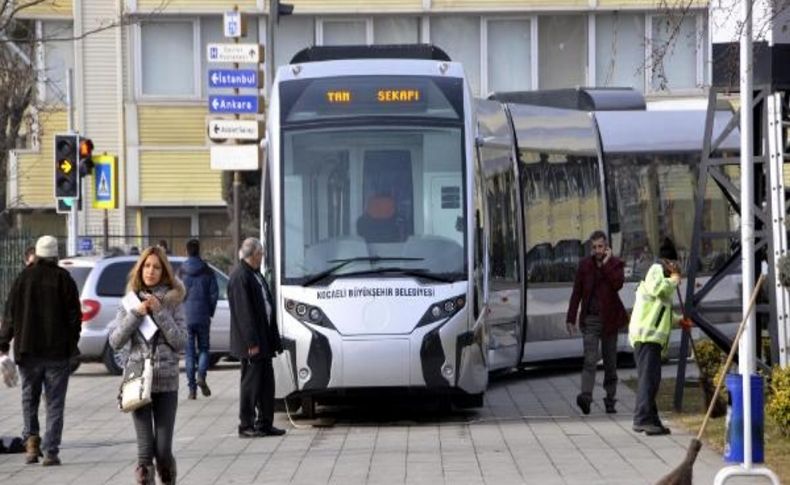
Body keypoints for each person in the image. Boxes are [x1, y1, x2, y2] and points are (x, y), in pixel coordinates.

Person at [0, 235, 81, 466]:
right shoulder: (64, 279)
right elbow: (75, 317)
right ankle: (51, 450)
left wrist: (4, 344)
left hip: (28, 351)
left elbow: (10, 314)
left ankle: (31, 444)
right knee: (55, 402)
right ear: (55, 255)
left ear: (36, 254)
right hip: (57, 353)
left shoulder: (23, 278)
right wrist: (71, 343)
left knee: (29, 398)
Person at [109, 246, 186, 484]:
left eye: (156, 267)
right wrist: (136, 314)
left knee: (162, 450)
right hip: (137, 381)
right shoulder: (129, 301)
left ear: (164, 272)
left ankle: (168, 475)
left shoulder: (173, 301)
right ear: (140, 269)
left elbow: (180, 342)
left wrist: (160, 312)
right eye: (147, 266)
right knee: (144, 454)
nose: (150, 271)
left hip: (166, 382)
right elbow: (115, 341)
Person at [629, 238, 692, 436]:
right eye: (676, 263)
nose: (678, 267)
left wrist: (678, 320)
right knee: (649, 379)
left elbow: (660, 311)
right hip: (646, 336)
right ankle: (641, 419)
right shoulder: (656, 270)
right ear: (667, 262)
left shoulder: (660, 274)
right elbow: (659, 290)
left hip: (650, 337)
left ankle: (652, 420)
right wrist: (673, 280)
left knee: (651, 379)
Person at [566, 230, 628, 415]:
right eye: (594, 247)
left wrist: (607, 264)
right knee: (590, 359)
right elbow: (576, 292)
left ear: (606, 247)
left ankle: (610, 399)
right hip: (591, 319)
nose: (597, 251)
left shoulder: (616, 264)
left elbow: (617, 284)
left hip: (610, 319)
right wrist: (571, 318)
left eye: (600, 247)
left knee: (610, 363)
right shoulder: (585, 266)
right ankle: (585, 397)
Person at [228, 237, 285, 438]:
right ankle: (246, 425)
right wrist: (251, 342)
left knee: (266, 384)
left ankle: (265, 423)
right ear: (253, 255)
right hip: (252, 343)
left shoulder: (255, 274)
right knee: (251, 385)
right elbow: (244, 314)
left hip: (264, 340)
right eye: (260, 254)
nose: (262, 257)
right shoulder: (240, 276)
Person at [180, 239, 218, 400]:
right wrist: (209, 311)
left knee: (189, 353)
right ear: (199, 250)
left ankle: (192, 390)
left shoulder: (180, 272)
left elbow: (176, 293)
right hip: (202, 315)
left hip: (186, 317)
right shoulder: (207, 270)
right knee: (203, 348)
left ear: (187, 251)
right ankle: (201, 376)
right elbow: (214, 294)